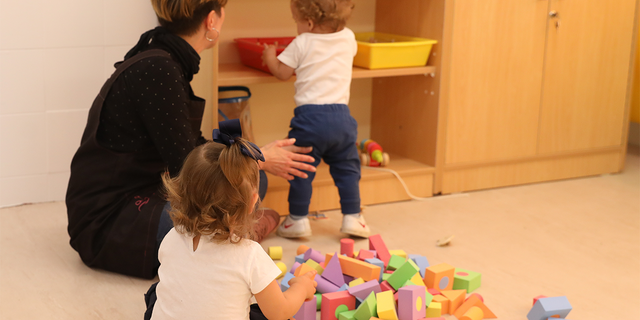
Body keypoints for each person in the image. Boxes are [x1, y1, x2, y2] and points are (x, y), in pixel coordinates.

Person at [65, 0, 316, 280]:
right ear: (211, 20)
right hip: (109, 221)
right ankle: (242, 236)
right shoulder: (160, 69)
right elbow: (188, 166)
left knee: (251, 180)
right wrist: (259, 157)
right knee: (242, 183)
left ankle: (236, 232)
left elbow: (192, 147)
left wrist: (252, 160)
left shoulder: (164, 59)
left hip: (147, 187)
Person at [143, 127, 317, 320]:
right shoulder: (250, 255)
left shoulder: (172, 236)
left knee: (154, 293)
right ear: (253, 201)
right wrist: (301, 288)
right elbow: (280, 312)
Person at [262, 0, 370, 238]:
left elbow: (281, 72)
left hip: (310, 120)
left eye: (296, 21)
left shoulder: (302, 42)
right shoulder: (349, 38)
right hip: (343, 120)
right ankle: (354, 217)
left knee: (301, 168)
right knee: (348, 168)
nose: (296, 26)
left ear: (309, 22)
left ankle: (298, 220)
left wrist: (270, 55)